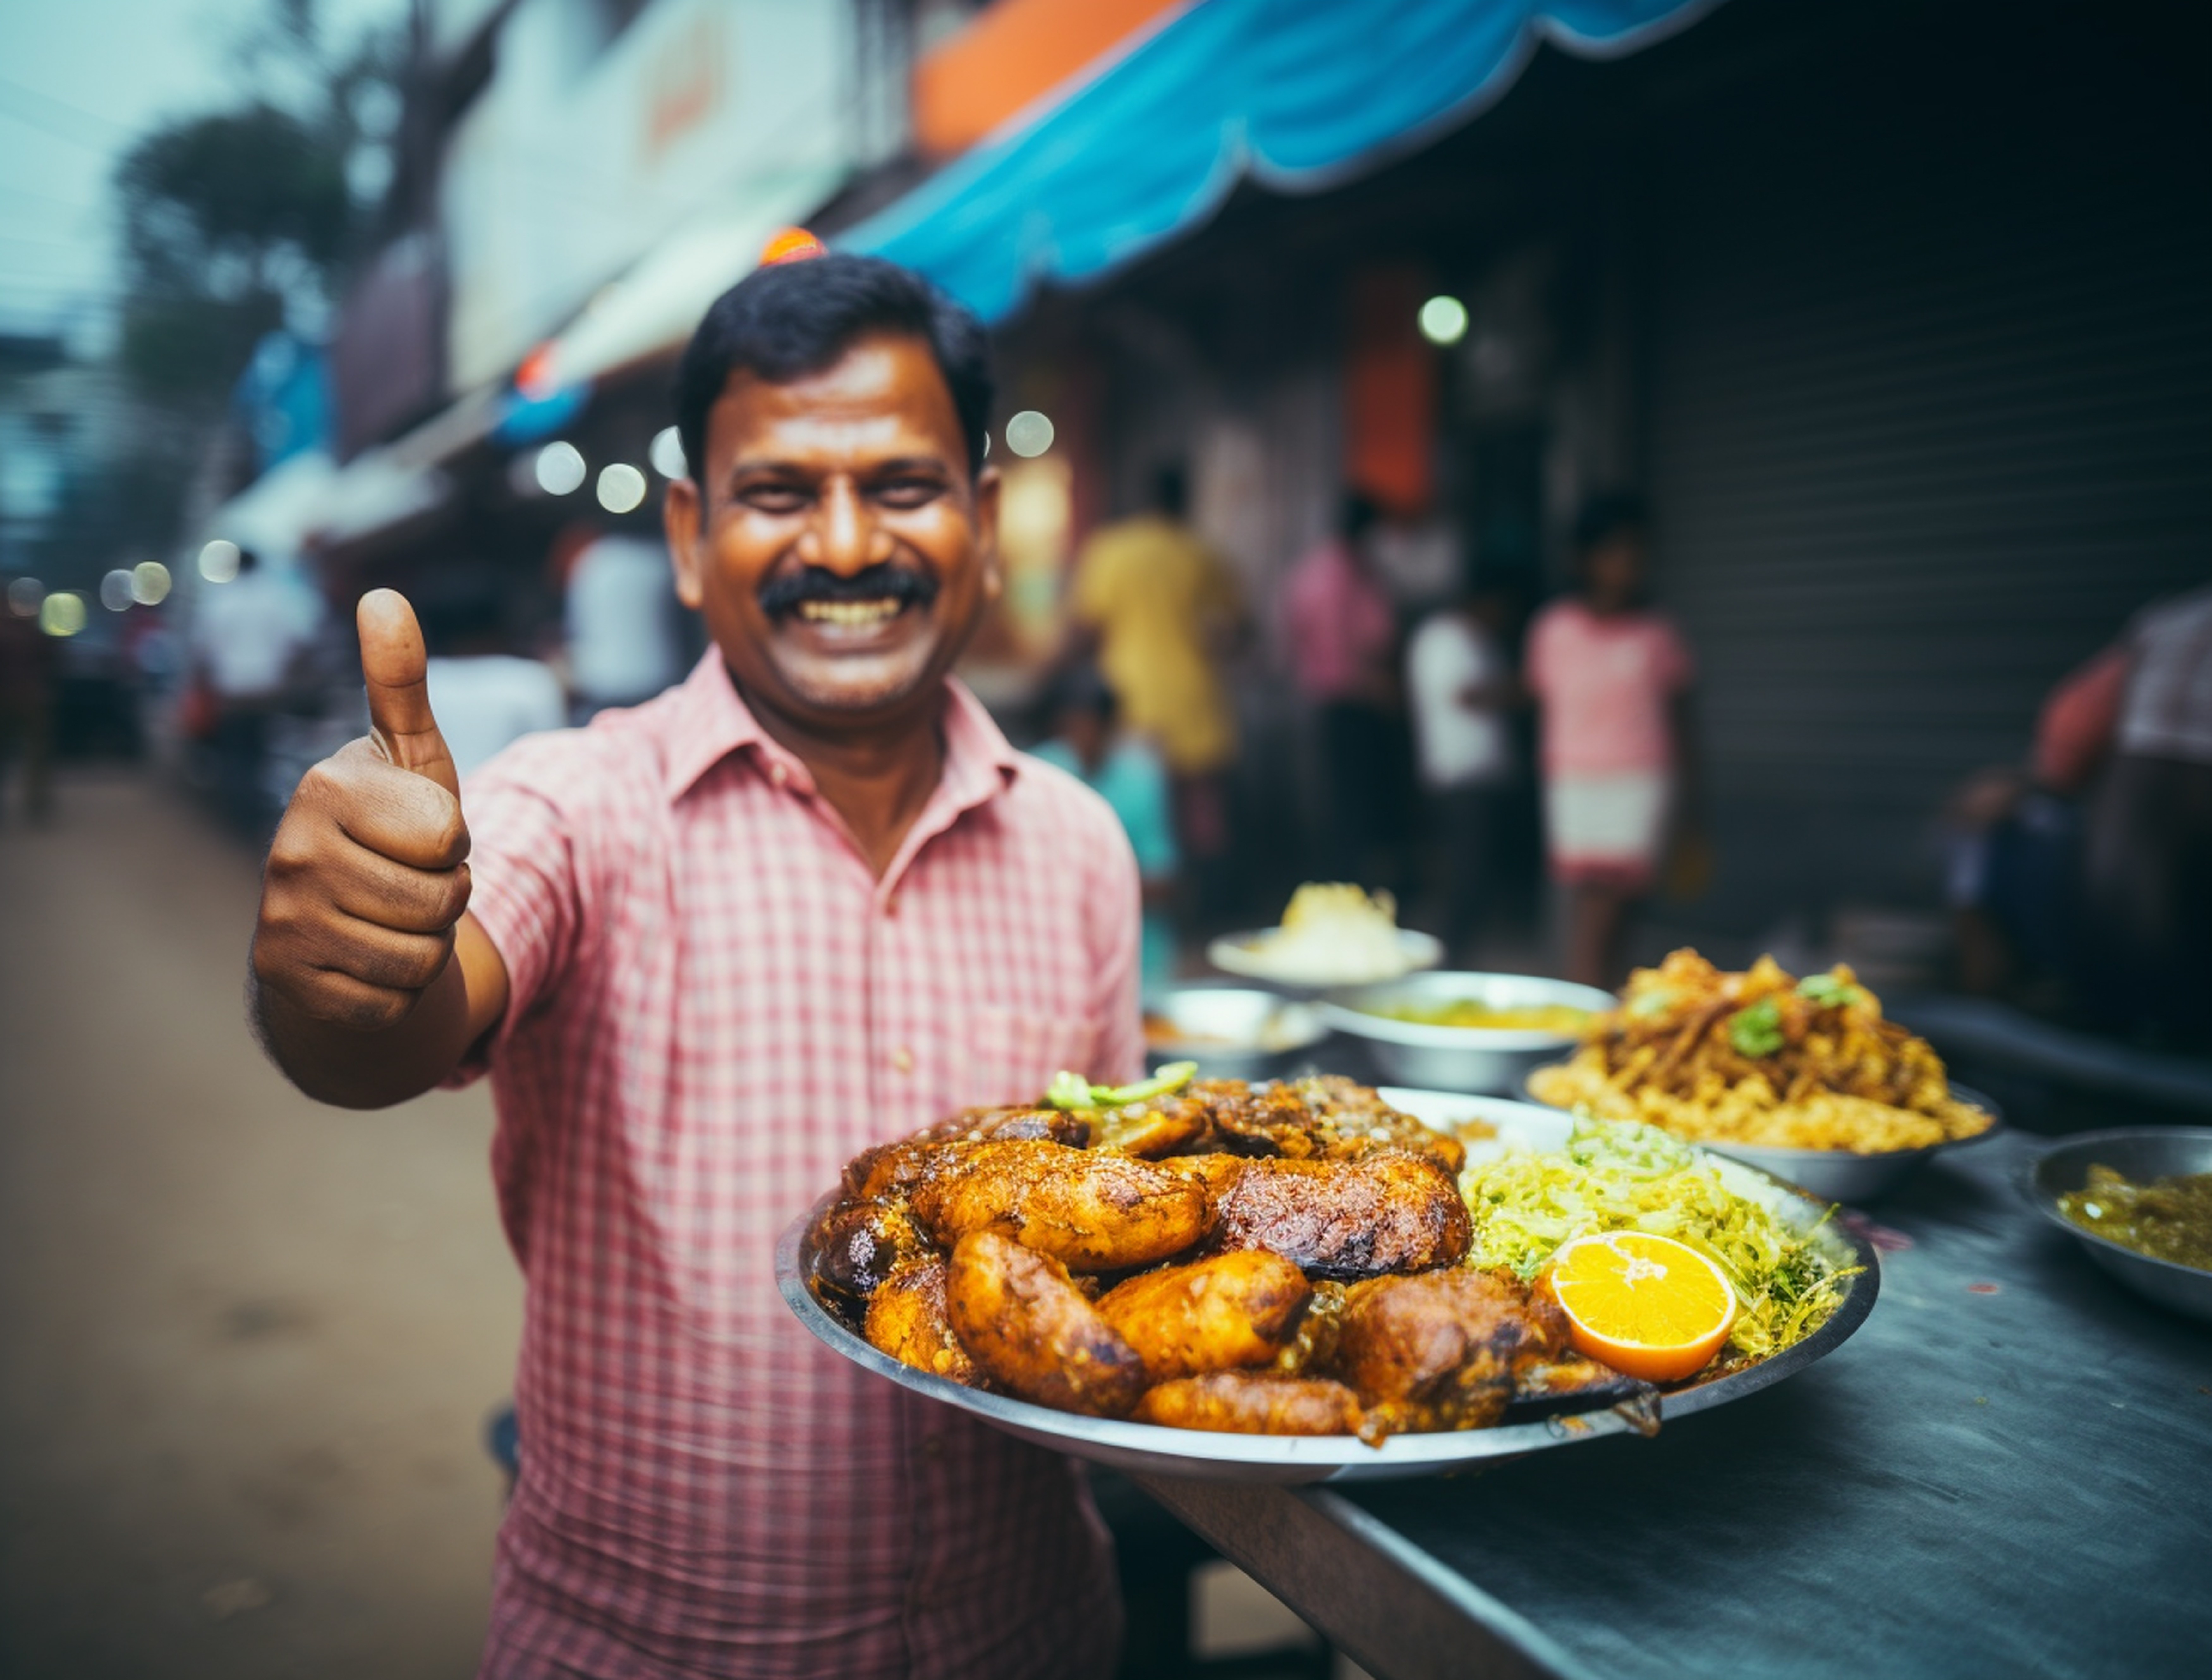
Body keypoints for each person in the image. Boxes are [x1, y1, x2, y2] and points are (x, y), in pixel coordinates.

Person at [248, 255, 1141, 1678]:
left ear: (979, 516)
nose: (845, 544)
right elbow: (388, 1032)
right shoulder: (581, 807)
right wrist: (341, 972)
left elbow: (1114, 1242)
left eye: (903, 486)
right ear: (688, 532)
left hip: (1030, 1633)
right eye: (779, 493)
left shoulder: (1083, 844)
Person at [1524, 496, 1697, 989]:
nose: (1627, 563)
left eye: (1636, 551)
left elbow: (1685, 716)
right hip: (1574, 779)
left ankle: (1588, 1004)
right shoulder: (1553, 629)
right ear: (1585, 559)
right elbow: (1536, 694)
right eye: (1614, 551)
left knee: (1616, 900)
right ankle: (1594, 1005)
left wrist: (1693, 805)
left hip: (1638, 781)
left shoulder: (1658, 634)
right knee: (1593, 899)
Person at [1068, 464, 1244, 873]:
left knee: (1144, 811)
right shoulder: (1204, 555)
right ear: (1186, 500)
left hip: (1130, 702)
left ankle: (1149, 905)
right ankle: (1202, 914)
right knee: (1200, 821)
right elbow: (1238, 633)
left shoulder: (1112, 550)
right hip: (1196, 702)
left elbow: (1087, 629)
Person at [1029, 663, 1180, 989]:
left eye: (1093, 727)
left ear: (1111, 728)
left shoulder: (1141, 778)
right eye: (1076, 727)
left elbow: (1163, 881)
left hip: (1139, 957)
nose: (1085, 738)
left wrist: (1077, 890)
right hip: (1059, 954)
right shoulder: (1038, 774)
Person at [1281, 492, 1402, 883]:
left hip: (1327, 700)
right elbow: (1363, 641)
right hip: (1355, 701)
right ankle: (1351, 885)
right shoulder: (1353, 575)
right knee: (1357, 803)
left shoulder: (1312, 571)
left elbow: (1293, 633)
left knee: (1339, 801)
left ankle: (1339, 882)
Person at [1405, 579, 1518, 962]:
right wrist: (1527, 689)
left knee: (1473, 874)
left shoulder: (1476, 640)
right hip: (1457, 777)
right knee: (1467, 875)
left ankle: (1456, 955)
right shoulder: (1444, 638)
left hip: (1478, 778)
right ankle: (1448, 958)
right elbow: (1464, 694)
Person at [190, 547, 324, 836]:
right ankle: (253, 818)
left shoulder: (220, 600)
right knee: (259, 754)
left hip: (231, 693)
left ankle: (236, 816)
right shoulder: (275, 598)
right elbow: (298, 641)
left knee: (235, 754)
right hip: (267, 692)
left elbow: (203, 648)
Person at [419, 592, 567, 778]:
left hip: (430, 801)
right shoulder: (529, 679)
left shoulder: (417, 683)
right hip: (514, 802)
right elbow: (554, 759)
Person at [562, 530, 684, 720]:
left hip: (604, 683)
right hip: (660, 680)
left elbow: (578, 629)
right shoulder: (660, 561)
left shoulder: (594, 562)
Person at [0, 589, 55, 824]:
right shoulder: (29, 629)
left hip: (8, 698)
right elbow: (52, 660)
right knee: (36, 756)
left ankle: (34, 806)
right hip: (33, 697)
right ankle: (37, 806)